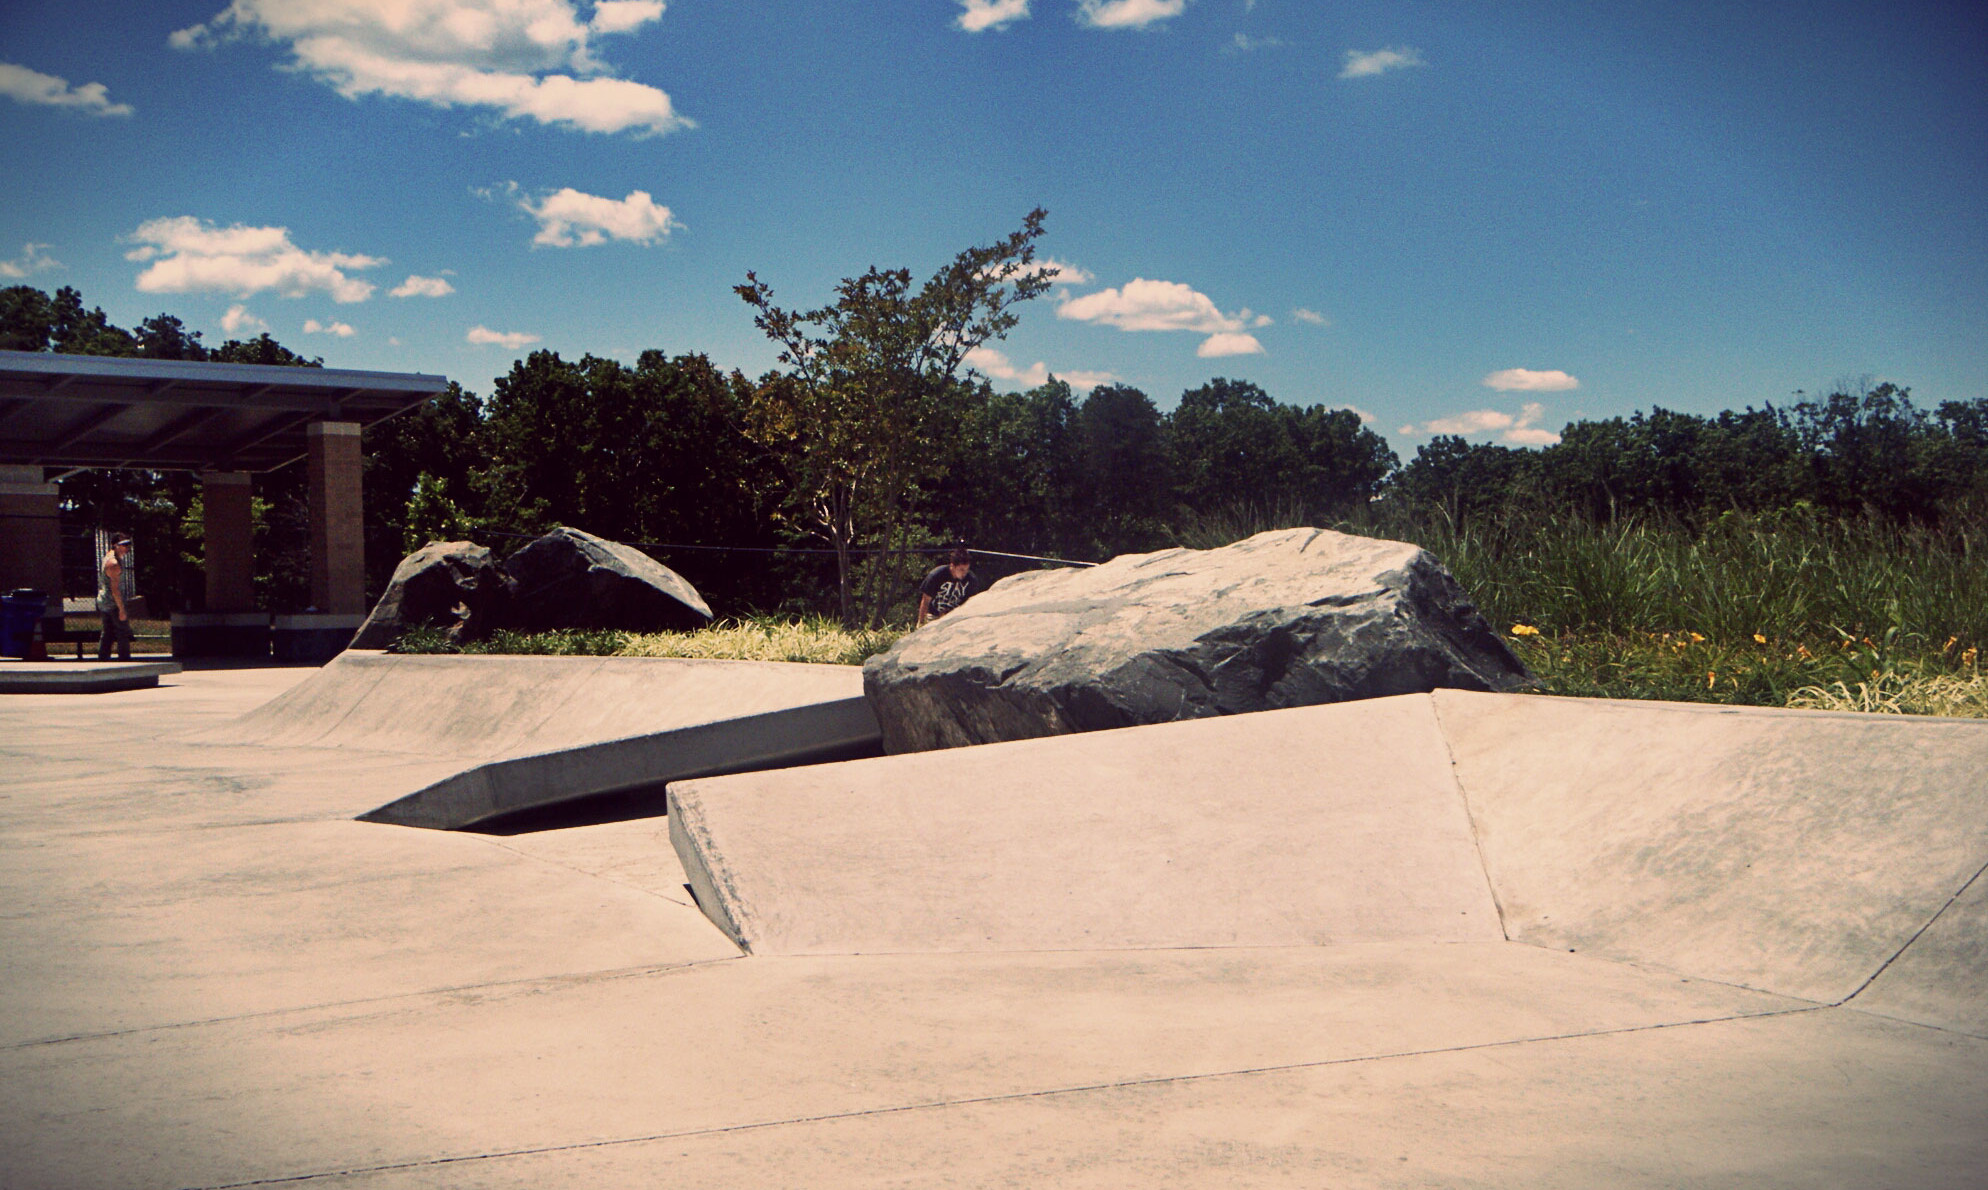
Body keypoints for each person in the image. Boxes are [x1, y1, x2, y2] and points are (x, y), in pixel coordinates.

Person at [916, 547, 983, 627]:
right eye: (961, 570)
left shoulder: (971, 580)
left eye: (967, 569)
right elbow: (925, 600)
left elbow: (970, 604)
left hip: (956, 616)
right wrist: (921, 622)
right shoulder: (936, 575)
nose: (964, 573)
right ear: (952, 566)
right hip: (933, 615)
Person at [97, 534, 136, 661]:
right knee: (122, 632)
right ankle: (124, 661)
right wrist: (121, 609)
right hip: (112, 602)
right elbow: (115, 590)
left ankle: (102, 660)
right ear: (115, 545)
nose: (127, 547)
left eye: (128, 544)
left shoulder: (111, 557)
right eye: (123, 545)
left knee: (108, 632)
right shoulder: (114, 563)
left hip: (104, 600)